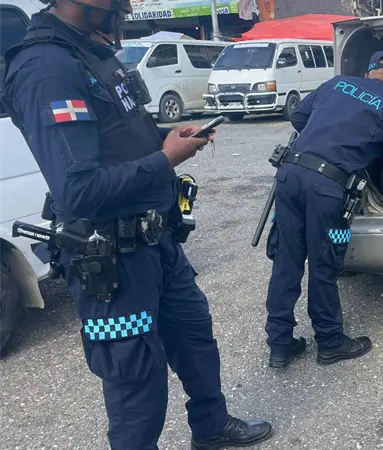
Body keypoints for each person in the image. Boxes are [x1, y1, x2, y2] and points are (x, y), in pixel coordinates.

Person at [1, 0, 273, 448]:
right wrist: (165, 161)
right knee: (135, 380)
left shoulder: (92, 52)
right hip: (111, 261)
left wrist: (167, 139)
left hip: (156, 241)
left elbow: (121, 131)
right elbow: (78, 189)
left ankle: (211, 426)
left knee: (193, 335)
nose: (126, 7)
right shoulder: (47, 68)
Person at [264, 51, 383, 369]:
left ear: (367, 73)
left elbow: (298, 119)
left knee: (286, 261)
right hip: (327, 190)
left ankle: (279, 346)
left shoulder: (335, 83)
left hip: (289, 176)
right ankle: (330, 343)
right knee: (324, 264)